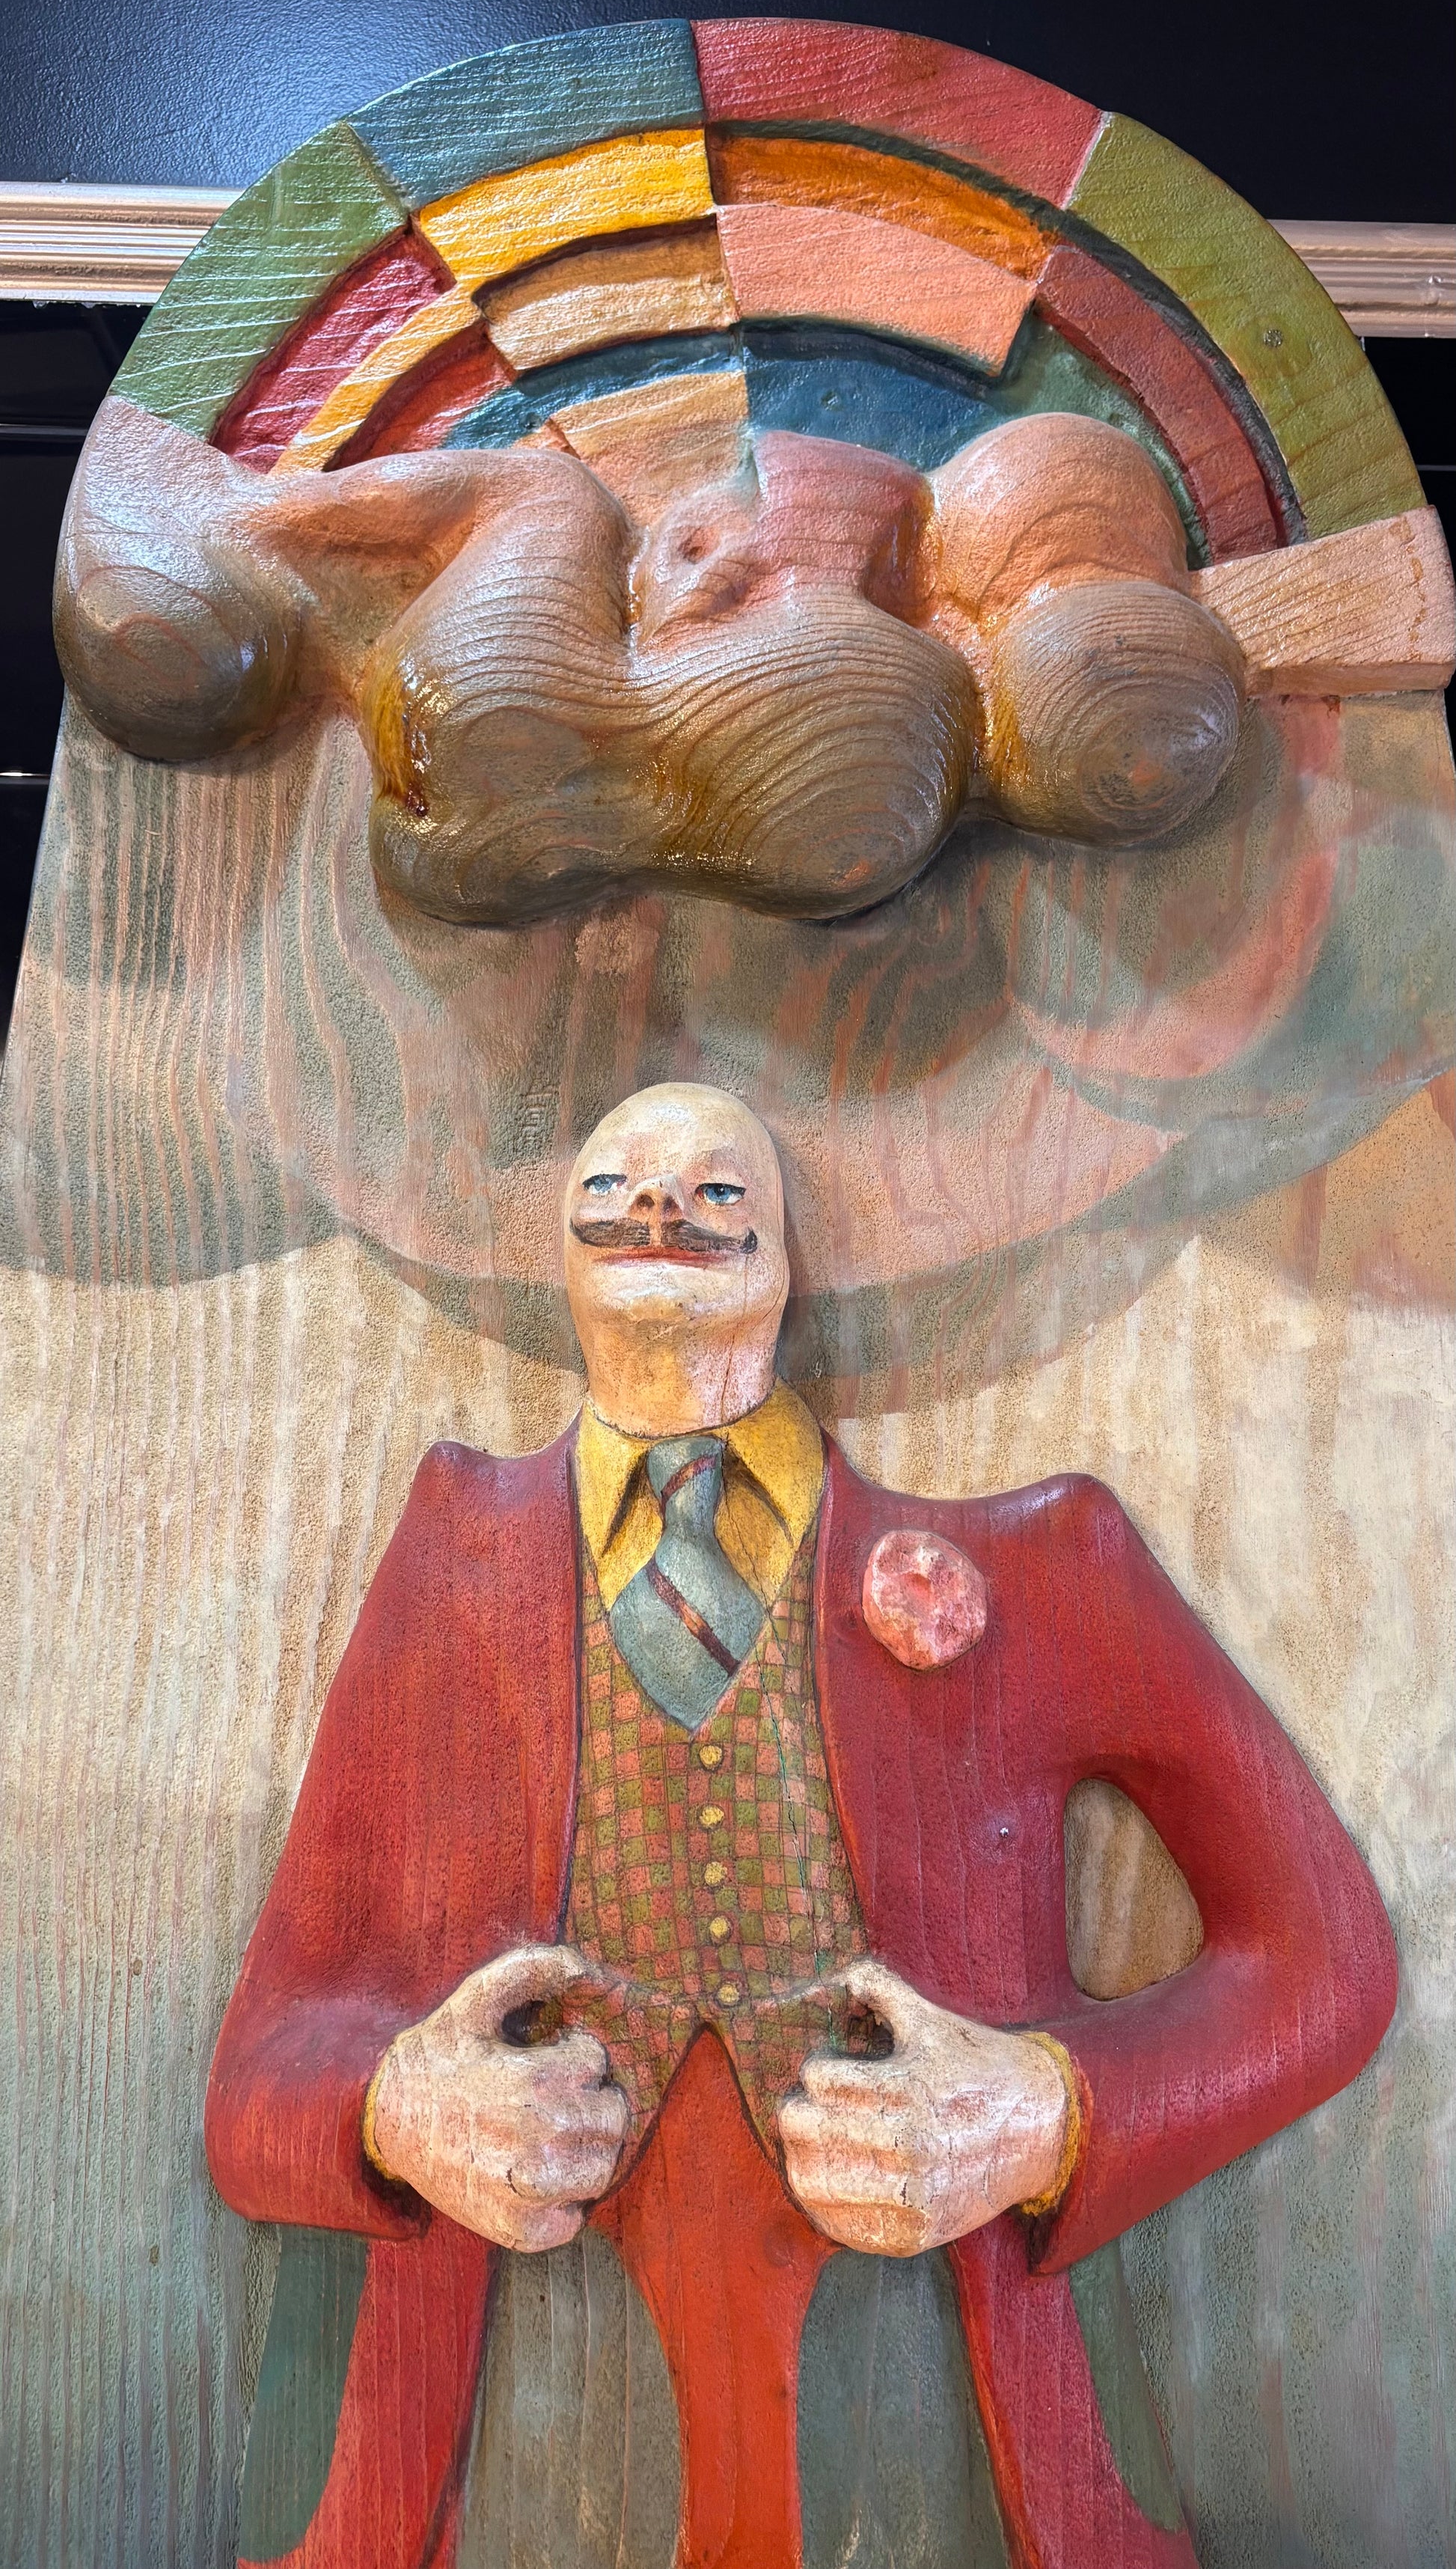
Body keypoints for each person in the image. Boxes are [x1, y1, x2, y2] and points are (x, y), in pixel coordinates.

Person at [206, 1083, 1396, 2569]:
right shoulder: (450, 1556)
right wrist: (396, 2107)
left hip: (934, 2441)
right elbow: (252, 2079)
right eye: (611, 1188)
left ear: (787, 1255)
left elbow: (1325, 1962)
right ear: (558, 1249)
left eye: (716, 1191)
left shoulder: (1042, 1566)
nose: (660, 1210)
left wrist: (1047, 2111)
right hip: (521, 2444)